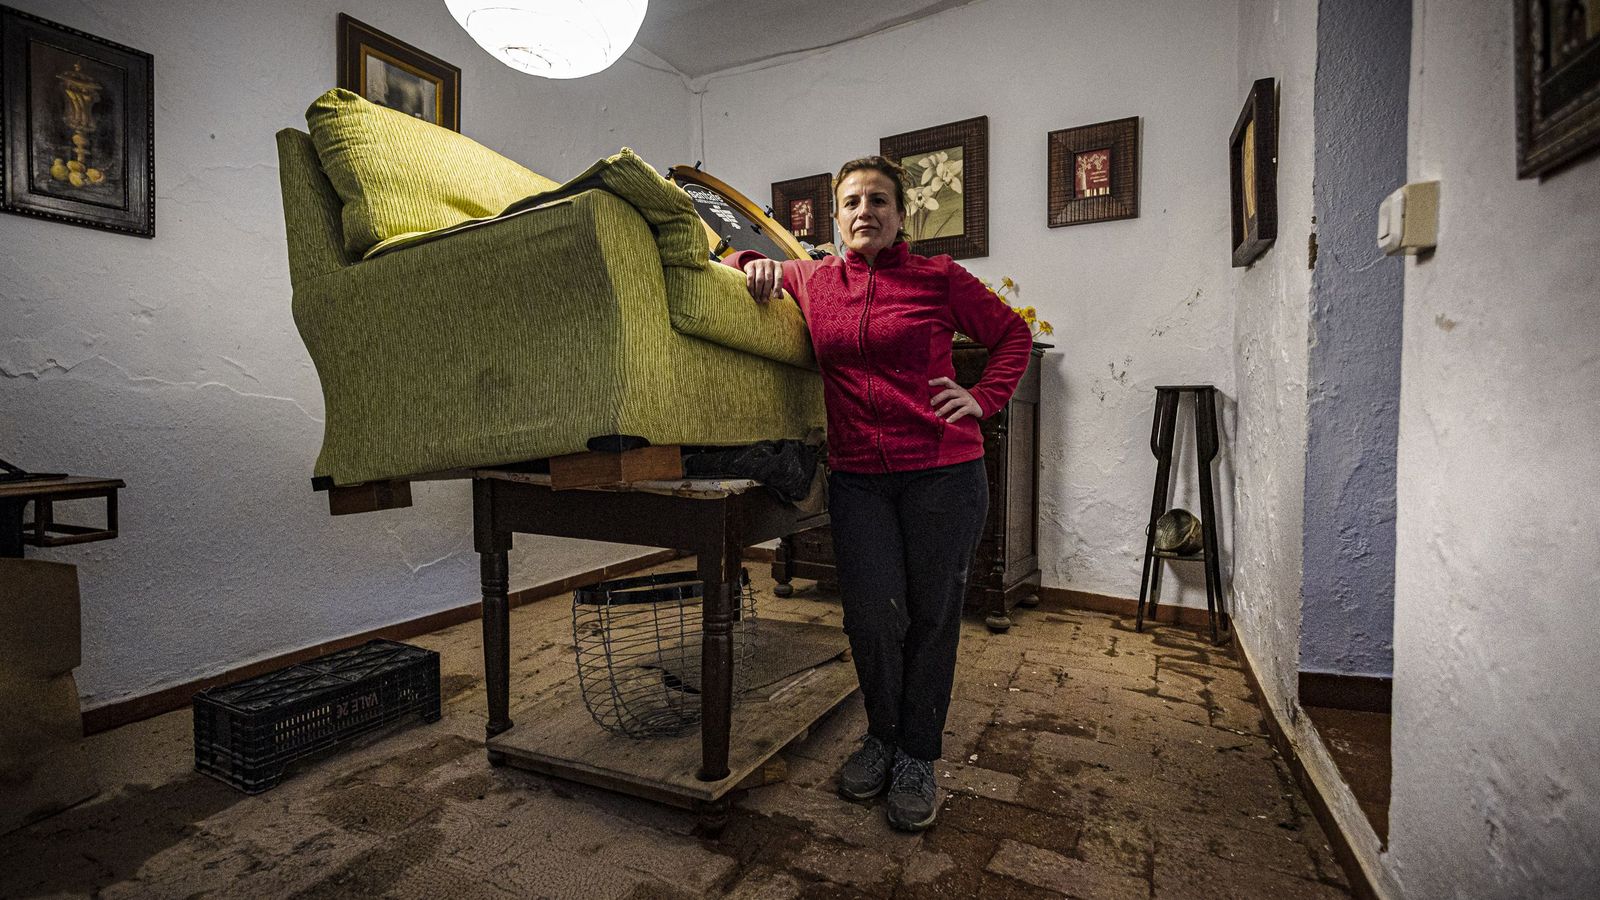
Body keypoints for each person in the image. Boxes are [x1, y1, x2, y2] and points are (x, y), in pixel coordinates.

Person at [724, 156, 1033, 831]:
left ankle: (917, 754)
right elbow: (735, 259)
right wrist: (753, 262)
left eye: (879, 201)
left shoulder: (938, 277)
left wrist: (982, 399)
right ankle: (881, 736)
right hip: (859, 478)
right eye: (852, 203)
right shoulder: (814, 280)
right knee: (869, 617)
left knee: (931, 618)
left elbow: (1013, 334)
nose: (865, 211)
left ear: (900, 215)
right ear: (837, 218)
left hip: (943, 474)